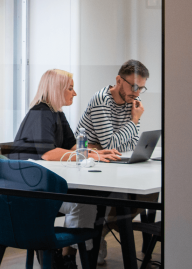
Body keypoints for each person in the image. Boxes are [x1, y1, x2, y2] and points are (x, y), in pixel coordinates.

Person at [11, 69, 121, 269]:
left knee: (87, 202)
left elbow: (73, 146)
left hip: (45, 185)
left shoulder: (56, 113)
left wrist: (98, 153)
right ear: (57, 89)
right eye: (70, 88)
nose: (74, 93)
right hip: (31, 192)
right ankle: (75, 255)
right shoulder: (41, 112)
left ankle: (71, 255)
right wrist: (90, 155)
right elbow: (48, 154)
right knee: (85, 203)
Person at [74, 59, 152, 265]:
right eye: (133, 86)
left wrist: (127, 126)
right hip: (86, 164)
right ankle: (92, 238)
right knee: (118, 200)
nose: (136, 93)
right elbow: (111, 142)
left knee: (140, 195)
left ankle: (98, 235)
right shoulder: (102, 99)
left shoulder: (131, 103)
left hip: (108, 162)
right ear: (119, 80)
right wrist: (134, 121)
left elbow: (129, 145)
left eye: (141, 88)